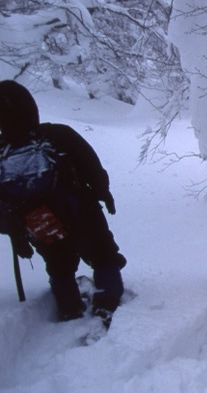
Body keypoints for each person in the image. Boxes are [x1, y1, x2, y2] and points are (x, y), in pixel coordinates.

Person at [0, 81, 125, 327]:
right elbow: (90, 164)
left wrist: (16, 232)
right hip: (79, 207)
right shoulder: (57, 134)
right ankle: (107, 301)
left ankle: (69, 308)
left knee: (59, 263)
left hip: (36, 219)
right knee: (102, 253)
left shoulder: (2, 150)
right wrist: (103, 192)